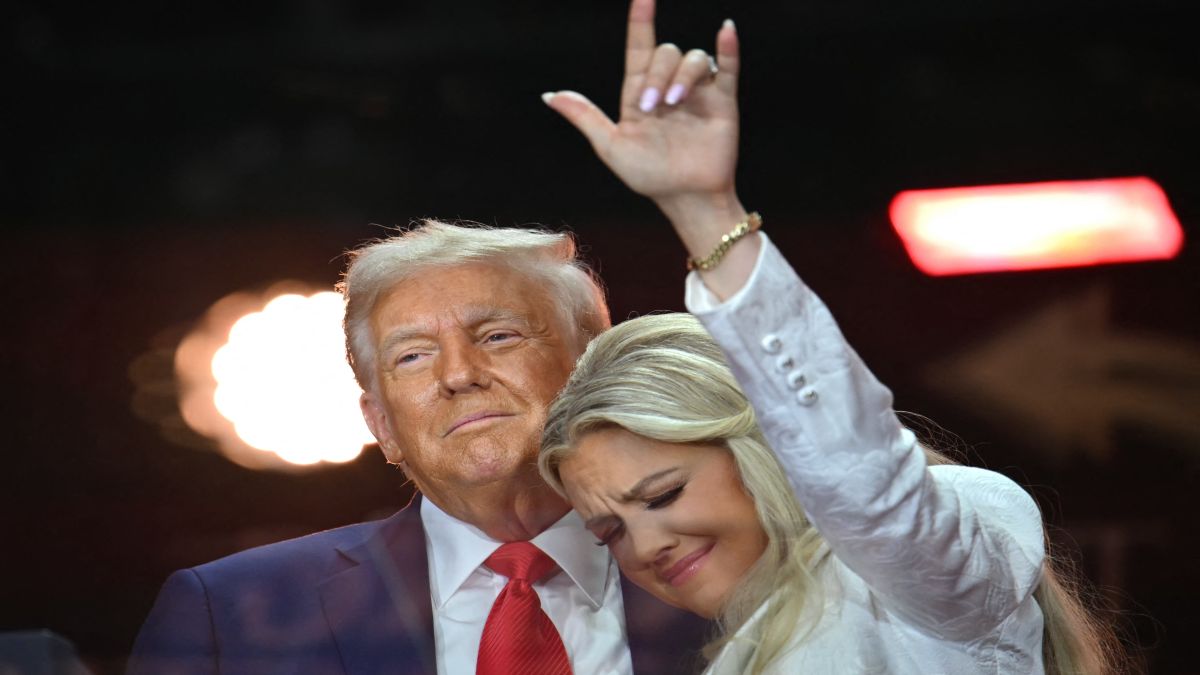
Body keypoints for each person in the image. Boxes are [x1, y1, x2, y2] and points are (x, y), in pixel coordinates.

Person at [538, 0, 1127, 672]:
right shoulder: (743, 654)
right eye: (611, 529)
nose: (646, 545)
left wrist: (705, 211)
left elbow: (861, 480)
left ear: (769, 442)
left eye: (663, 493)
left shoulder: (916, 578)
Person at [127, 226, 708, 670]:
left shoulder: (734, 563)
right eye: (412, 355)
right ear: (382, 425)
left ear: (593, 368)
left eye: (498, 336)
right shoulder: (226, 613)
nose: (458, 374)